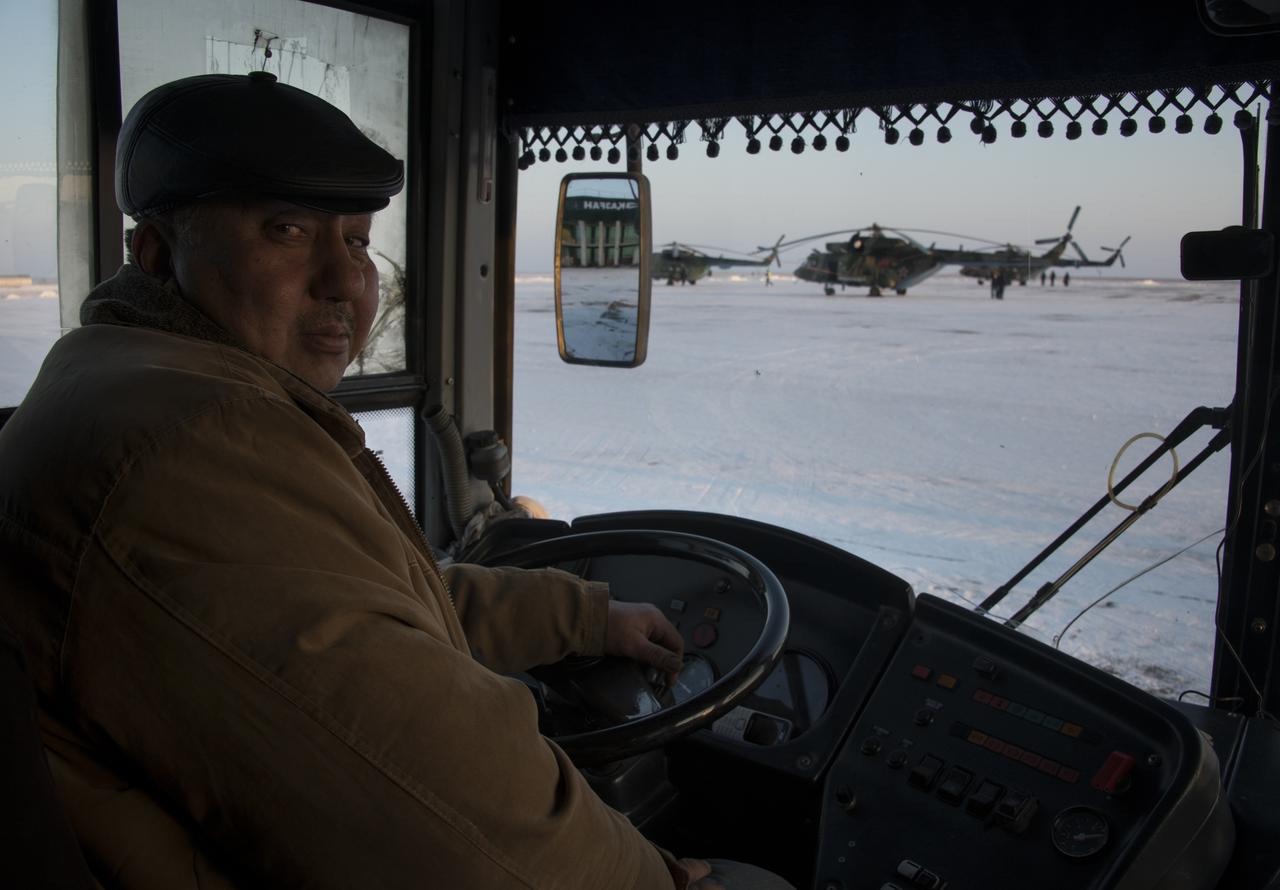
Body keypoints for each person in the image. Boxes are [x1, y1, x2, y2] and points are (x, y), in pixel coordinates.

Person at [0, 73, 793, 890]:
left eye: (355, 240)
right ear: (158, 257)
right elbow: (449, 810)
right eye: (285, 230)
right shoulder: (189, 447)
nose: (346, 283)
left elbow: (369, 610)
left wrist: (585, 617)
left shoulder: (123, 386)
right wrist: (659, 881)